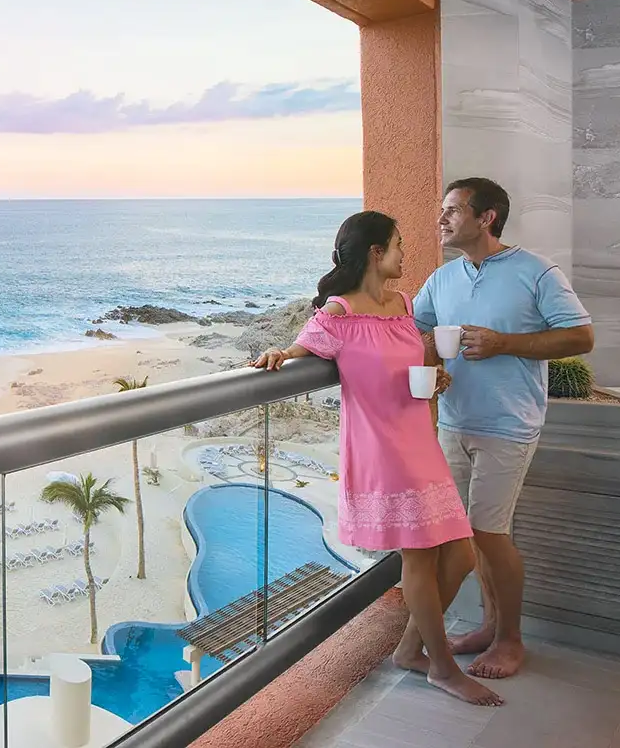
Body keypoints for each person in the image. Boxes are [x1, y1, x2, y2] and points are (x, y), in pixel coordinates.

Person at [253, 211, 502, 706]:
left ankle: (412, 649)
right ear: (375, 253)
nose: (405, 254)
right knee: (420, 555)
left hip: (418, 439)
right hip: (382, 450)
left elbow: (409, 366)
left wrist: (436, 379)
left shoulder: (404, 305)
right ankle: (443, 669)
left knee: (462, 554)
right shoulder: (339, 314)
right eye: (399, 245)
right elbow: (301, 348)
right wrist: (278, 354)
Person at [414, 177, 594, 680]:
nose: (442, 218)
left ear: (486, 217)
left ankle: (510, 638)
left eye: (452, 210)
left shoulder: (535, 271)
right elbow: (417, 330)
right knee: (468, 535)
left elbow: (581, 337)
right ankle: (489, 626)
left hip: (508, 425)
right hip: (452, 420)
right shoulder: (443, 278)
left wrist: (502, 343)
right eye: (442, 209)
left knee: (488, 535)